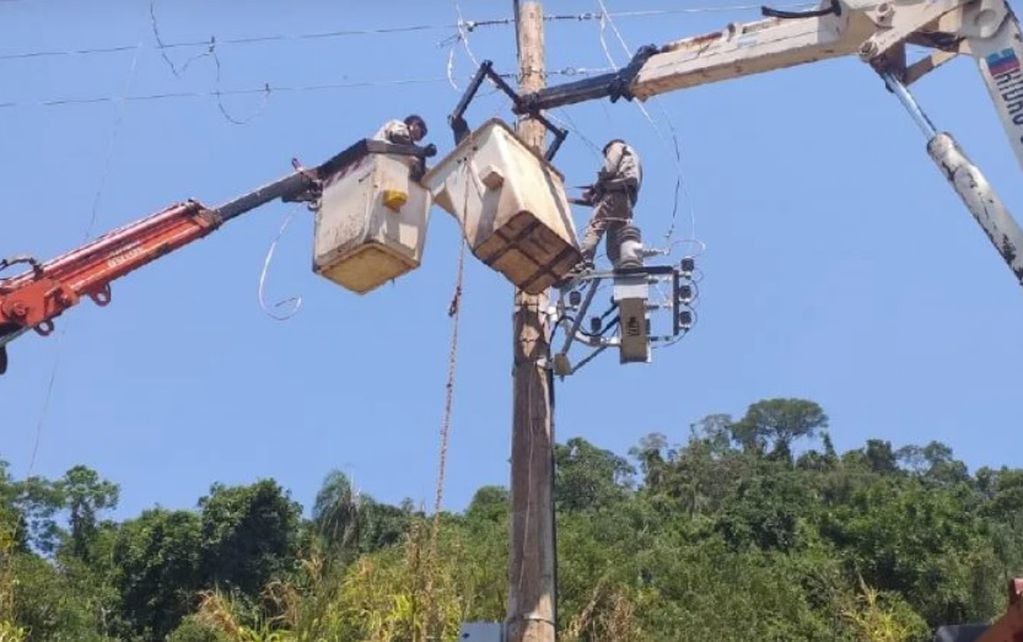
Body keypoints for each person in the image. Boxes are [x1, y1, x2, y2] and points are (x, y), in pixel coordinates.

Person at [577, 139, 643, 269]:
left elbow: (609, 169)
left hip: (614, 195)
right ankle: (623, 266)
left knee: (596, 228)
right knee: (616, 241)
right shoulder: (634, 158)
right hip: (626, 202)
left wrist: (597, 187)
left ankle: (582, 262)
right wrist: (597, 192)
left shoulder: (616, 146)